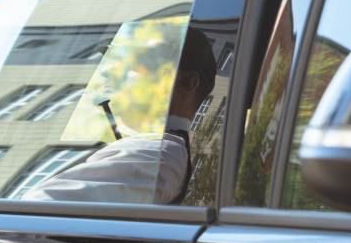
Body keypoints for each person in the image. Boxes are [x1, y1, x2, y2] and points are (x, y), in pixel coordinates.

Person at [23, 27, 218, 205]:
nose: (108, 70)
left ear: (188, 82)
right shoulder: (150, 147)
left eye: (136, 61)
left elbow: (33, 211)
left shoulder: (156, 153)